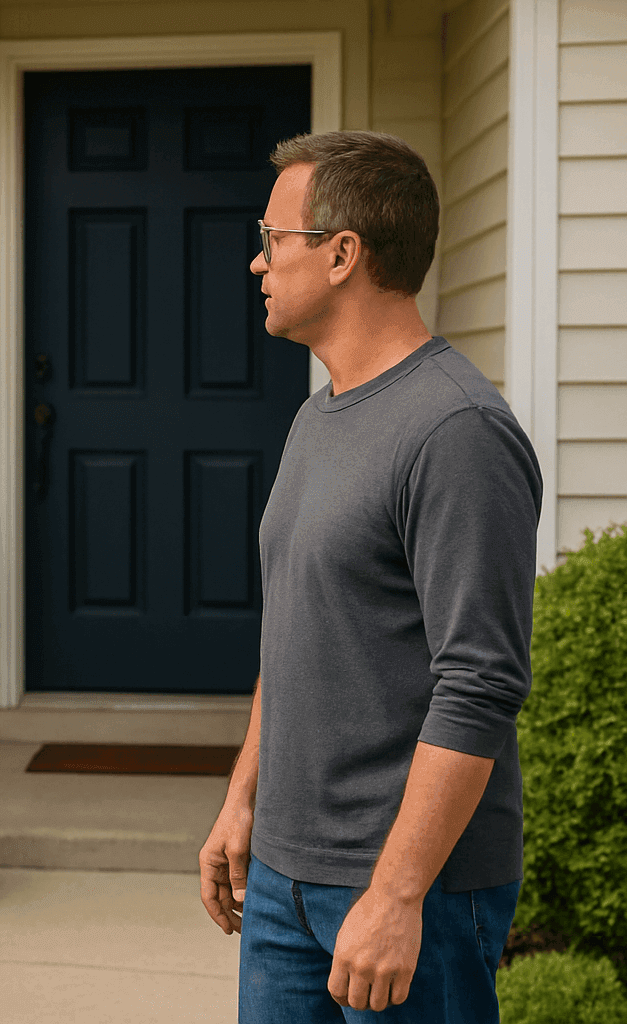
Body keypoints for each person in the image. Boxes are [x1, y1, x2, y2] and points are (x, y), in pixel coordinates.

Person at [197, 130, 542, 1023]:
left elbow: (480, 683)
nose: (257, 261)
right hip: (282, 878)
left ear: (343, 253)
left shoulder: (457, 431)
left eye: (275, 239)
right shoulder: (320, 418)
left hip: (409, 892)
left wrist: (395, 897)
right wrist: (245, 799)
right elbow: (300, 628)